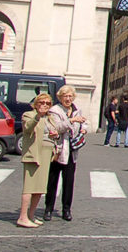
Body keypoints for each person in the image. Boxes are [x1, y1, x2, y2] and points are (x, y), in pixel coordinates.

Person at [44, 85, 87, 222]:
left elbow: (83, 124)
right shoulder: (54, 111)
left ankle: (66, 209)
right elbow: (57, 127)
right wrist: (72, 121)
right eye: (65, 96)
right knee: (52, 181)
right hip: (58, 150)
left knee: (69, 182)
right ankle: (48, 209)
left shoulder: (76, 109)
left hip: (72, 151)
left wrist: (83, 128)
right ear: (60, 97)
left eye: (70, 96)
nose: (68, 99)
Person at [17, 93, 58, 228]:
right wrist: (37, 116)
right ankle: (22, 217)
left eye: (47, 103)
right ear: (36, 103)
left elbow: (52, 133)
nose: (44, 105)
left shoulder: (50, 118)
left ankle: (31, 215)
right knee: (29, 187)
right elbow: (28, 128)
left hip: (47, 153)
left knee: (39, 188)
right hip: (34, 154)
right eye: (41, 102)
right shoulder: (28, 115)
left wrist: (55, 135)